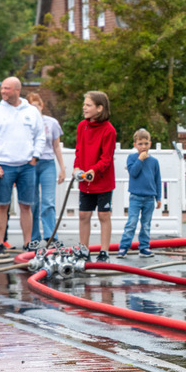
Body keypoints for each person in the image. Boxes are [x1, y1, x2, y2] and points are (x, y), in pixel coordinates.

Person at [0, 77, 45, 253]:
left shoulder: (31, 111)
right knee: (2, 205)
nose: (3, 91)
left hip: (27, 165)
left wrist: (35, 156)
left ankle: (28, 244)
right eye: (2, 88)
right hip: (4, 166)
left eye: (7, 88)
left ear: (17, 90)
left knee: (26, 205)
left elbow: (40, 135)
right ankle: (0, 243)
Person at [74, 91, 117, 261]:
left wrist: (94, 170)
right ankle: (83, 250)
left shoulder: (109, 130)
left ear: (100, 108)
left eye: (88, 105)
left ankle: (104, 252)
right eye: (84, 104)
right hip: (86, 180)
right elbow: (78, 151)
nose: (84, 107)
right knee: (84, 215)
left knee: (103, 215)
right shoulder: (82, 127)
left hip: (103, 181)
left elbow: (106, 158)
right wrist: (77, 167)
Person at [26, 92, 66, 244]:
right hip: (30, 164)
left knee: (48, 201)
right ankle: (33, 237)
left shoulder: (52, 123)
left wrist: (62, 168)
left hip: (47, 163)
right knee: (32, 201)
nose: (34, 110)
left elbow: (56, 146)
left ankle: (51, 235)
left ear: (42, 106)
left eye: (36, 106)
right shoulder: (26, 123)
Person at [117, 128, 163, 258]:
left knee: (146, 224)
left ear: (150, 144)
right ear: (135, 145)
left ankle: (144, 247)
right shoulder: (132, 158)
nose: (143, 146)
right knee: (131, 223)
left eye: (146, 143)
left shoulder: (154, 161)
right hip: (135, 197)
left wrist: (158, 197)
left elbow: (157, 180)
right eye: (140, 143)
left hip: (149, 198)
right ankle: (124, 247)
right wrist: (140, 159)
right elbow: (133, 172)